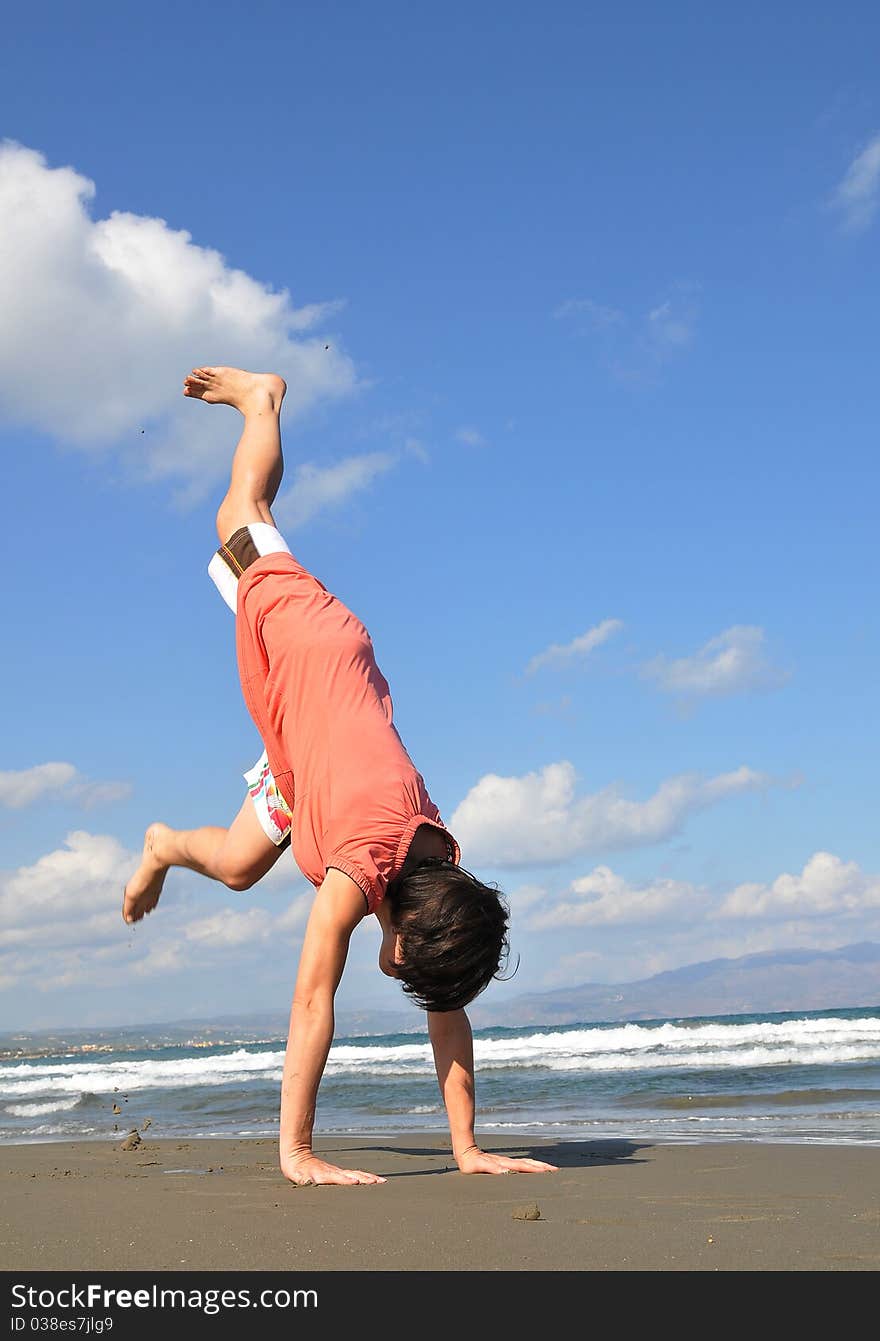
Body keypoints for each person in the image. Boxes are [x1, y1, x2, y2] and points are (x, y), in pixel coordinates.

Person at [123, 366, 558, 1187]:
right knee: (239, 516)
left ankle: (161, 842)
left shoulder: (437, 877)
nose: (396, 973)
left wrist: (467, 1147)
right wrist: (297, 1151)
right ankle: (262, 400)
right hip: (309, 646)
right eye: (405, 964)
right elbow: (311, 999)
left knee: (240, 867)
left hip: (308, 754)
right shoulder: (361, 871)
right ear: (398, 917)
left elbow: (448, 1010)